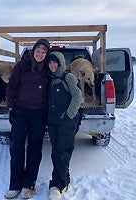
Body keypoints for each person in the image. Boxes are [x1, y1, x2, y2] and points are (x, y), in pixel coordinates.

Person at [4, 39, 50, 199]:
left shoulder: (48, 69)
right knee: (16, 147)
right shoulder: (21, 66)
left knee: (35, 149)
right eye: (38, 50)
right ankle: (15, 185)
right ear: (34, 51)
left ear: (46, 54)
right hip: (20, 112)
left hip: (39, 113)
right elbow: (11, 87)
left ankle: (29, 184)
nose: (40, 54)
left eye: (44, 52)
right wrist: (10, 107)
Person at [46, 52, 82, 200]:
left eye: (55, 62)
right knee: (57, 151)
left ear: (60, 63)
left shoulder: (69, 78)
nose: (52, 65)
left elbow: (77, 96)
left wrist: (69, 115)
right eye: (50, 63)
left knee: (62, 151)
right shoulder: (49, 79)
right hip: (53, 120)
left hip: (67, 120)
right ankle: (65, 181)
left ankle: (57, 185)